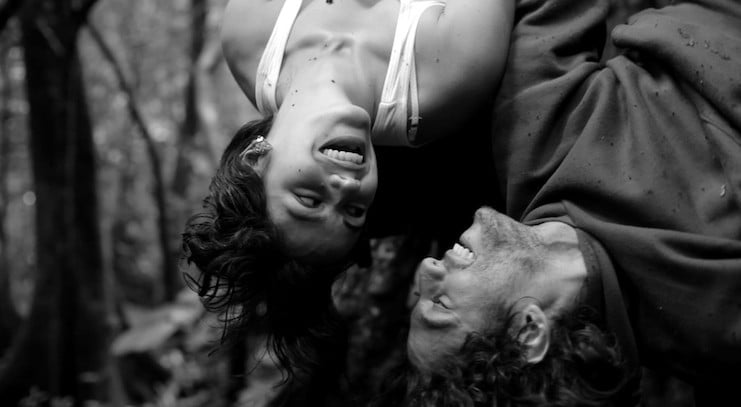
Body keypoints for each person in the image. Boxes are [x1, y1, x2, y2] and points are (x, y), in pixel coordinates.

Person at [384, 0, 741, 405]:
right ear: (528, 332)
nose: (426, 269)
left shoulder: (531, 144)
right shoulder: (713, 320)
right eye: (440, 303)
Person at [181, 0, 514, 399]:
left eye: (308, 200)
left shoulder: (248, 32)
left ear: (255, 160)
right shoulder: (448, 75)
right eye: (354, 211)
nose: (345, 187)